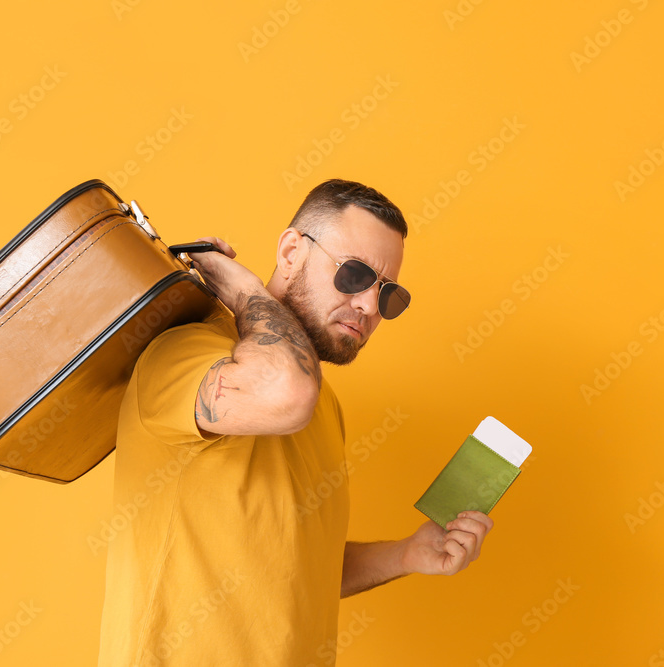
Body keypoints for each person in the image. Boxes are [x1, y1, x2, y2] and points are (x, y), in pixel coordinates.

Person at [96, 179, 494, 666]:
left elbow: (295, 565)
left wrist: (408, 554)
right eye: (354, 274)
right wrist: (241, 287)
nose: (369, 307)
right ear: (291, 251)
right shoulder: (186, 351)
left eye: (388, 296)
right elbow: (286, 392)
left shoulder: (325, 409)